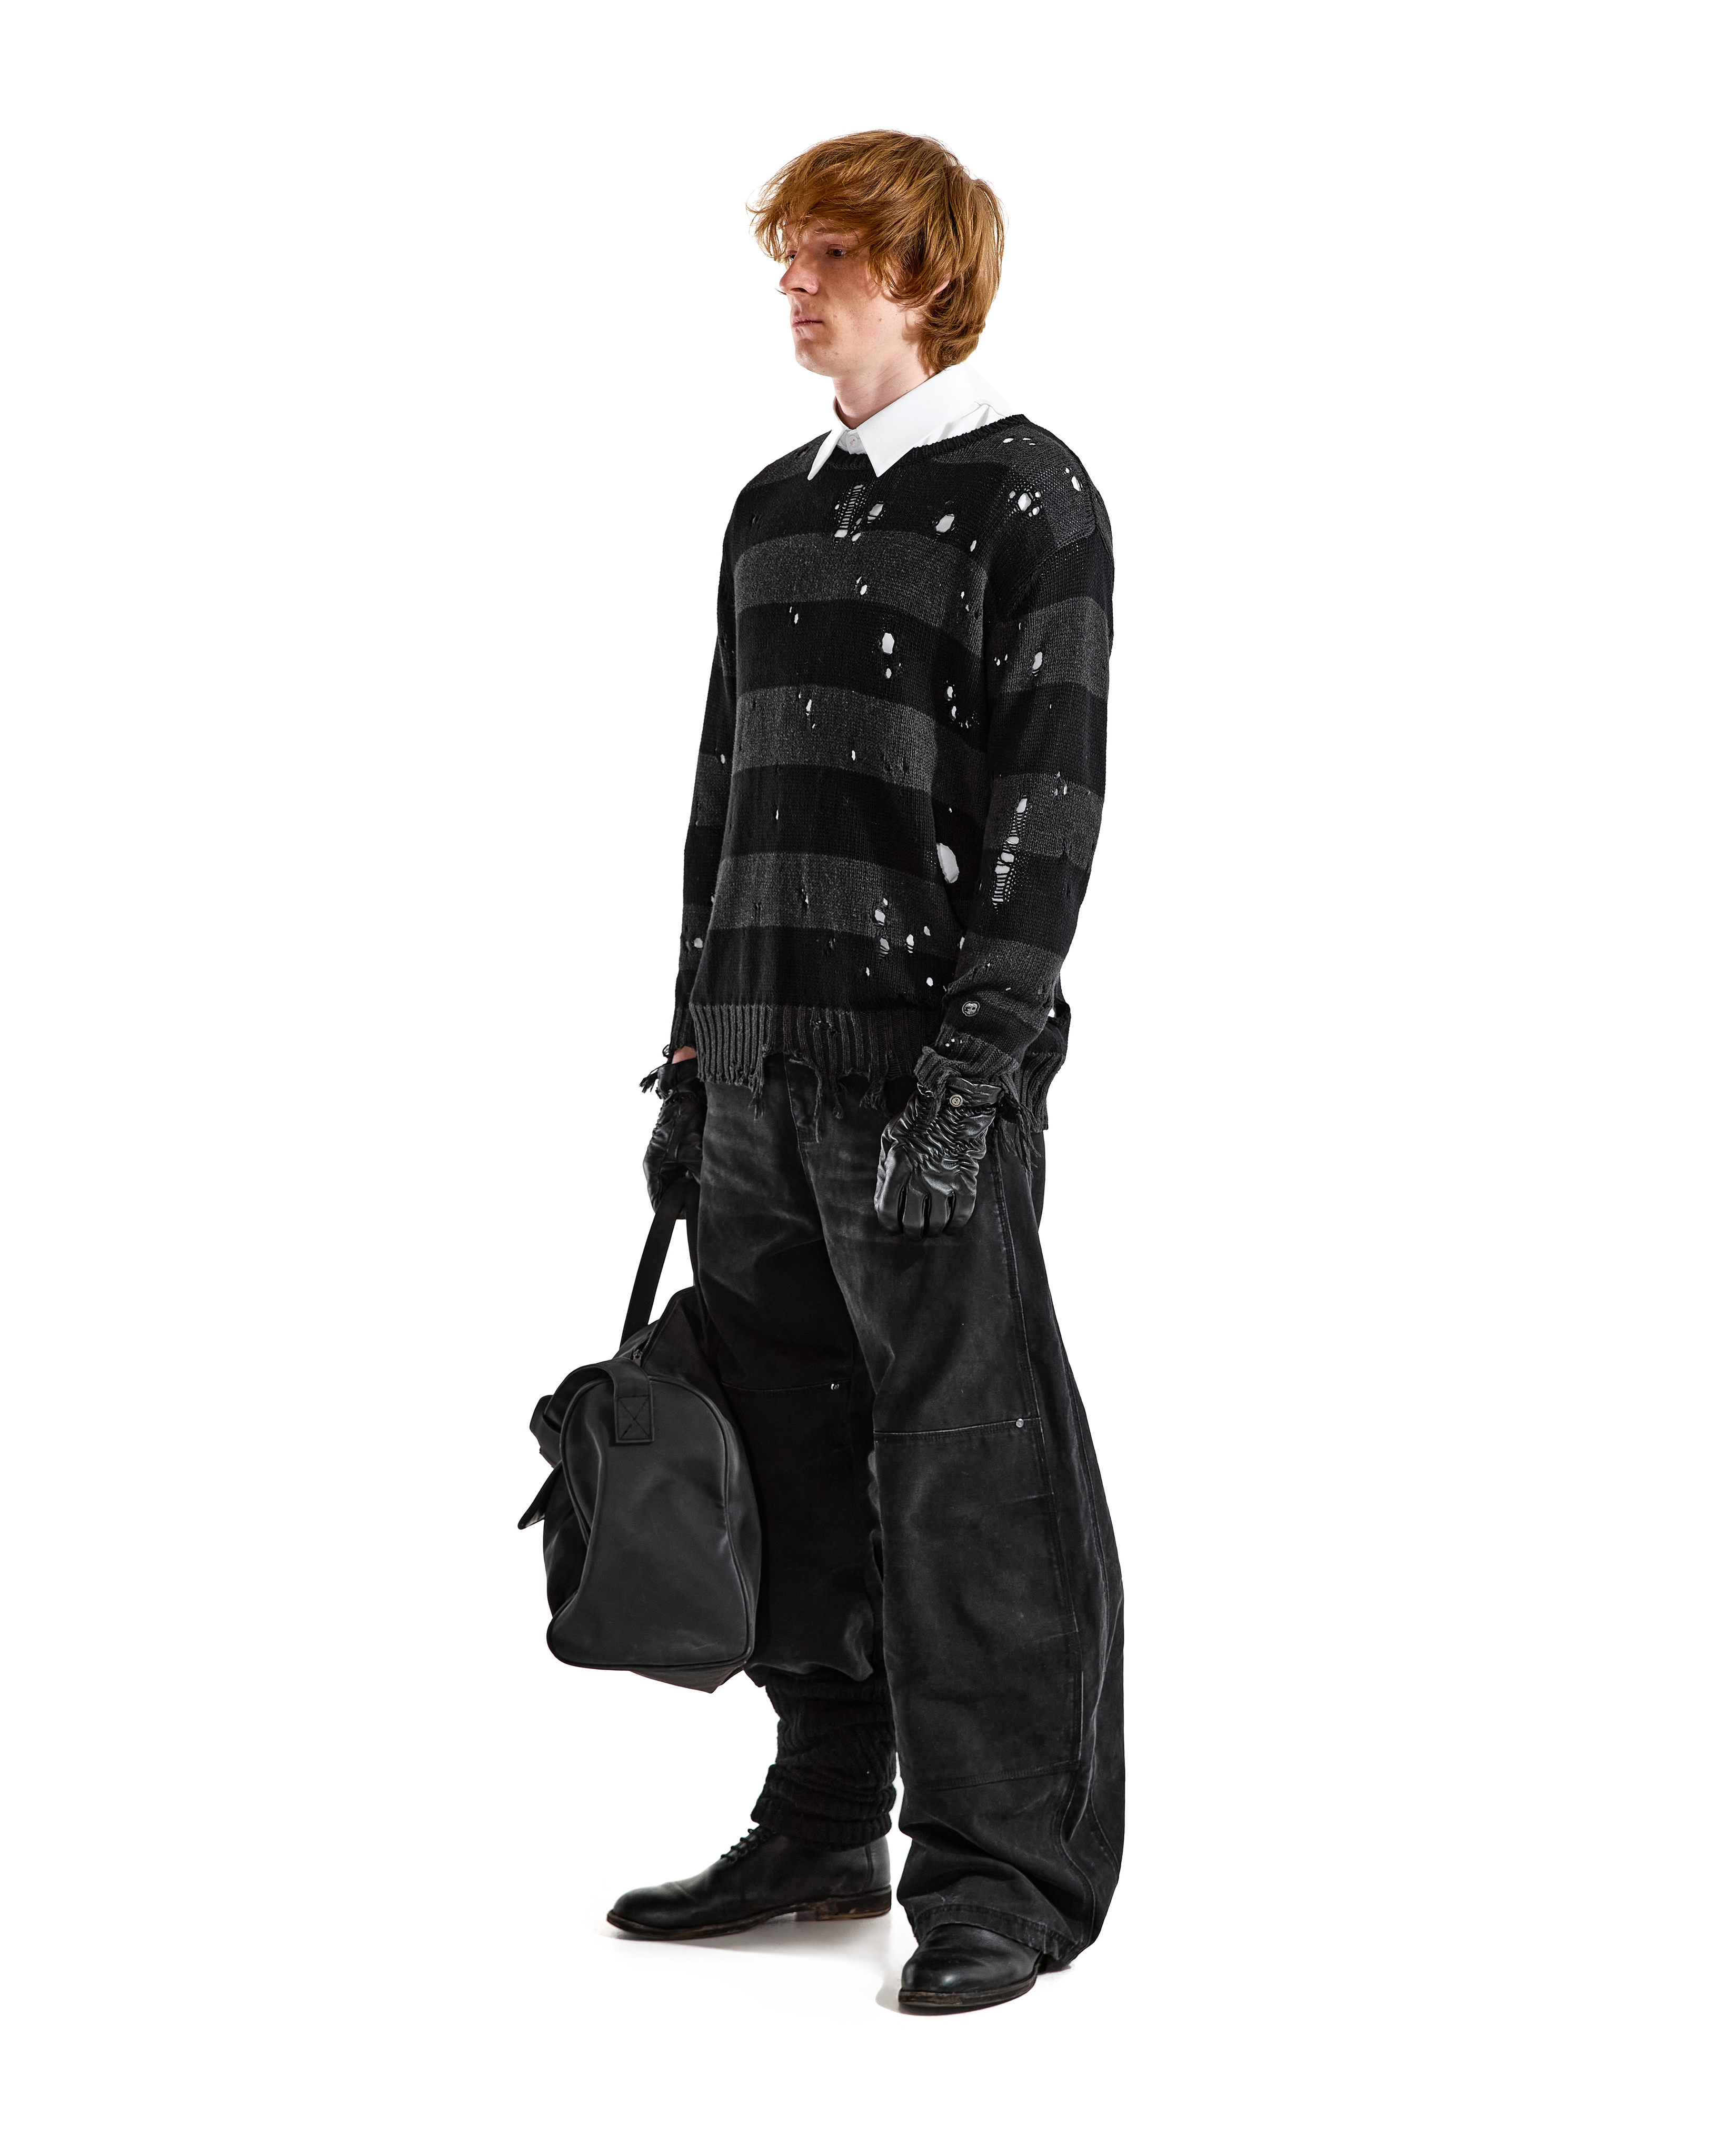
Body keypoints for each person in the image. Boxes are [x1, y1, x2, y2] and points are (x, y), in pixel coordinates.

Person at [617, 130, 1123, 2015]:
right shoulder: (770, 508)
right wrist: (695, 1051)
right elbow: (723, 797)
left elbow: (1051, 803)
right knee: (792, 1459)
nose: (796, 282)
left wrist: (978, 1071)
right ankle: (827, 1816)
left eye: (832, 253)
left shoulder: (1028, 497)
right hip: (759, 1065)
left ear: (927, 273)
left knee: (972, 1472)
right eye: (792, 252)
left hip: (925, 1077)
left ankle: (1002, 1876)